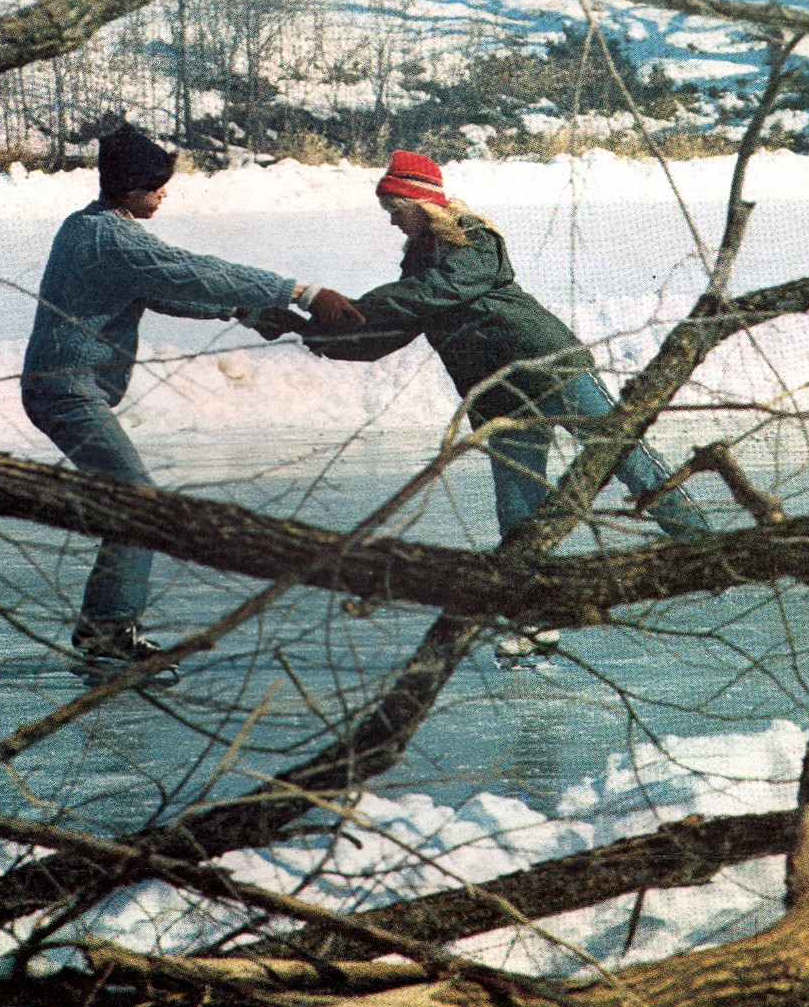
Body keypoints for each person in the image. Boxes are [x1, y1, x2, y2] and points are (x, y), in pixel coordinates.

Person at [255, 151, 711, 662]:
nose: (391, 220)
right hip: (495, 392)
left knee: (626, 458)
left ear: (421, 203)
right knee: (518, 507)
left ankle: (709, 551)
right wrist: (309, 328)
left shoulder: (473, 240)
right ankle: (531, 618)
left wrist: (343, 308)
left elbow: (431, 293)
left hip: (548, 365)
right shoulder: (417, 265)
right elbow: (382, 336)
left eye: (395, 208)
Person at [22, 123, 363, 672]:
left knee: (128, 501)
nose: (164, 195)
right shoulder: (113, 239)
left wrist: (241, 312)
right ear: (130, 189)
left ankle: (105, 624)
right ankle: (108, 628)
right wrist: (301, 291)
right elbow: (195, 272)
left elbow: (162, 290)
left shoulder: (88, 227)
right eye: (156, 186)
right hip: (65, 390)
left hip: (65, 387)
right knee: (138, 502)